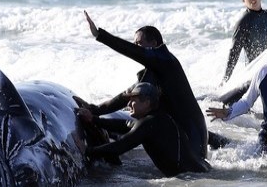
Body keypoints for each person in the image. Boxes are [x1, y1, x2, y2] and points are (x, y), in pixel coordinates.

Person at [81, 11, 210, 160]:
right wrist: (94, 110)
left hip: (193, 133)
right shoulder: (152, 72)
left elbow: (133, 52)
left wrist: (100, 35)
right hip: (178, 132)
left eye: (139, 43)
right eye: (135, 44)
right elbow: (126, 96)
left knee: (192, 169)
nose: (136, 47)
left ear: (154, 44)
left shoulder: (167, 61)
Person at [77, 82, 210, 176]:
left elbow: (119, 147)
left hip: (192, 177)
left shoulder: (150, 123)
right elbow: (126, 125)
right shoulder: (157, 118)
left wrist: (87, 151)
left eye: (133, 100)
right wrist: (94, 120)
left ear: (146, 103)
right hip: (199, 171)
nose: (128, 104)